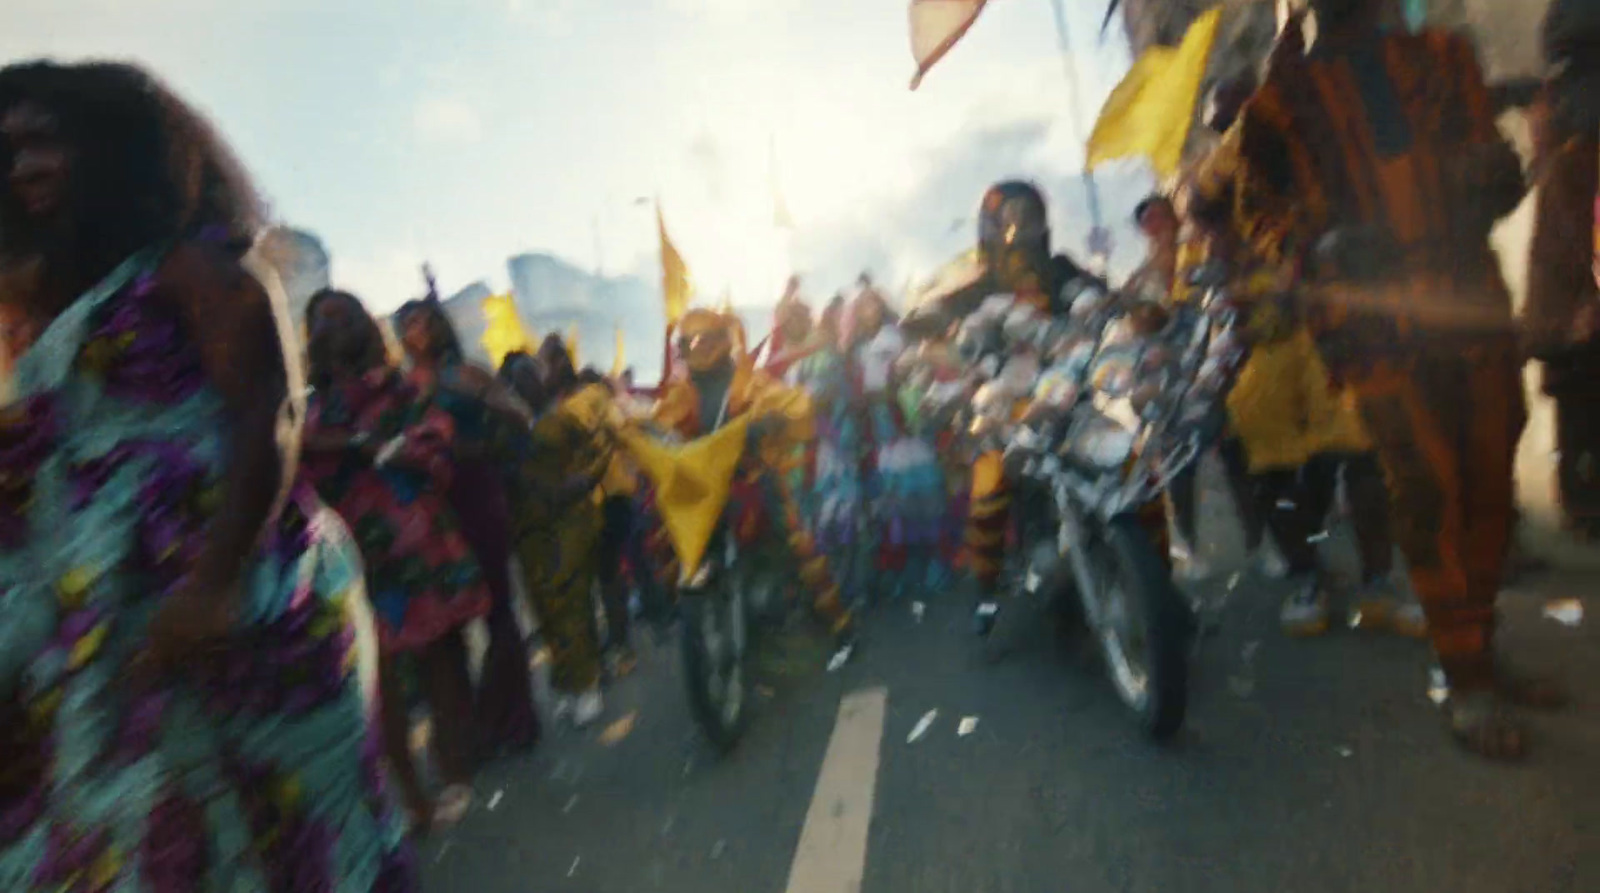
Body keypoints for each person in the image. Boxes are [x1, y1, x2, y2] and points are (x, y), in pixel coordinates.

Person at [0, 61, 412, 888]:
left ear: (113, 149)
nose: (22, 170)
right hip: (99, 621)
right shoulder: (33, 307)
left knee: (294, 838)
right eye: (2, 154)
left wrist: (219, 580)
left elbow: (270, 408)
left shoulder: (189, 265)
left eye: (43, 142)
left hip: (241, 591)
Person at [1226, 0, 1561, 758]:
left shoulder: (1446, 57)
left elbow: (1492, 167)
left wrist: (1494, 174)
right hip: (1372, 332)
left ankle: (1480, 643)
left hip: (1468, 304)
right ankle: (1466, 675)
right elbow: (1257, 216)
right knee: (1427, 488)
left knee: (1486, 483)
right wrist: (1322, 247)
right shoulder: (1276, 105)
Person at [303, 288, 491, 831]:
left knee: (438, 661)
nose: (329, 328)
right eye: (319, 321)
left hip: (418, 545)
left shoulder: (398, 387)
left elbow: (438, 448)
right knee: (379, 679)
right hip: (362, 556)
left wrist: (390, 447)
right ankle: (414, 799)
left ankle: (452, 773)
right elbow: (304, 477)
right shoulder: (311, 409)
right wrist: (349, 445)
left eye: (338, 318)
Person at [651, 308, 856, 663]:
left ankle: (840, 627)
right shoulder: (682, 393)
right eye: (688, 342)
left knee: (797, 542)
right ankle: (681, 620)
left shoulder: (748, 379)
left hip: (753, 480)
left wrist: (774, 419)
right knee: (665, 543)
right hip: (706, 490)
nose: (696, 348)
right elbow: (662, 421)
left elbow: (793, 402)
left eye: (703, 339)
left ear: (721, 339)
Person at [392, 297, 540, 757]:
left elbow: (520, 415)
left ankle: (511, 721)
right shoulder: (401, 387)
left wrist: (479, 447)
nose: (418, 330)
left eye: (426, 321)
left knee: (497, 609)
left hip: (475, 498)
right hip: (426, 510)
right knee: (446, 621)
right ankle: (470, 727)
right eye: (409, 323)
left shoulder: (466, 375)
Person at [501, 339, 614, 726]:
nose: (526, 385)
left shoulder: (565, 417)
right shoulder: (510, 431)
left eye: (530, 374)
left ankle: (589, 685)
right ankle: (567, 681)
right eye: (516, 381)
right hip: (530, 531)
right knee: (546, 608)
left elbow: (602, 448)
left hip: (570, 521)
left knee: (573, 603)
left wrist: (583, 483)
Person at [1524, 0, 1600, 541]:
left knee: (1577, 394)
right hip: (1577, 279)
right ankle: (1582, 501)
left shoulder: (1557, 105)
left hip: (1570, 280)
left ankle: (1581, 500)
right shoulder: (1571, 115)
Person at [841, 285, 947, 602]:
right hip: (884, 435)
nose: (865, 311)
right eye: (860, 307)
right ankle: (912, 567)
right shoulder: (859, 348)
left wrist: (879, 393)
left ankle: (935, 566)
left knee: (923, 502)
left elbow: (906, 379)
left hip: (907, 430)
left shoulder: (894, 338)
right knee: (897, 508)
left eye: (871, 304)